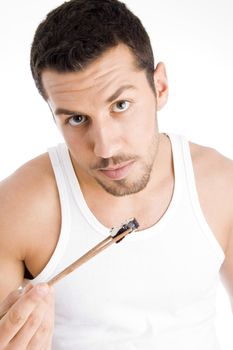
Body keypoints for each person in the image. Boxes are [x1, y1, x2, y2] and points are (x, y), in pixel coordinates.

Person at [0, 0, 232, 348]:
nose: (105, 148)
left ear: (160, 88)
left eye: (120, 105)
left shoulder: (221, 186)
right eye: (76, 119)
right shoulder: (17, 209)